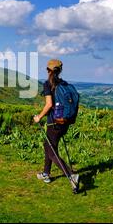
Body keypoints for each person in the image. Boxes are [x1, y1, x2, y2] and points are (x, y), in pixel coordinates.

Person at [33, 59, 79, 192]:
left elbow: (49, 105)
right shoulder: (64, 84)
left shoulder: (48, 84)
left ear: (48, 70)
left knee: (50, 150)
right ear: (60, 70)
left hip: (53, 123)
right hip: (64, 122)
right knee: (50, 147)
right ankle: (46, 174)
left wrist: (39, 117)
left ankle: (71, 175)